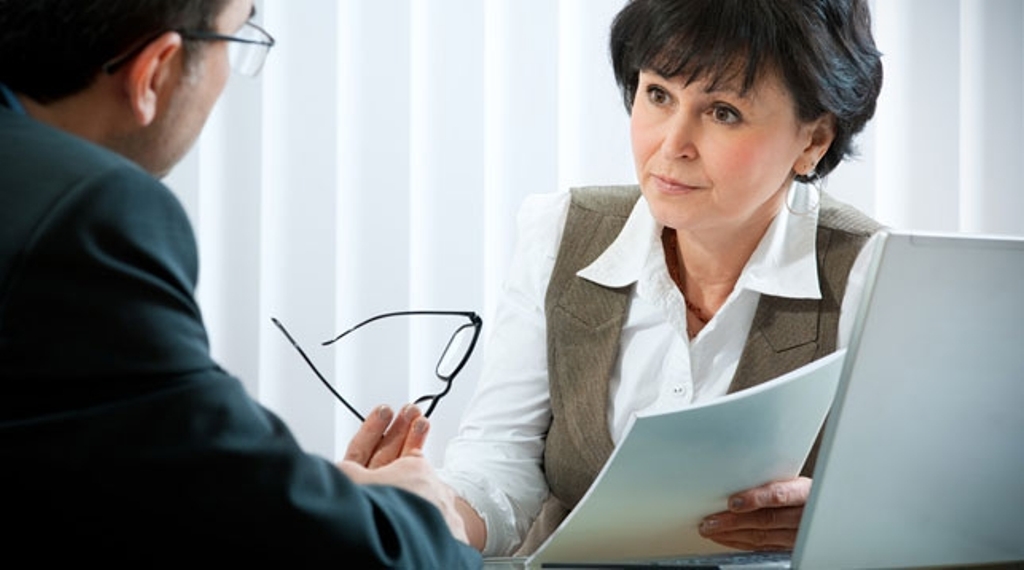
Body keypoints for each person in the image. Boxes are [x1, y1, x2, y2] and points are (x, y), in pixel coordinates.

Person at [346, 0, 885, 558]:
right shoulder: (561, 232)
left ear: (813, 141)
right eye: (658, 95)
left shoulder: (873, 272)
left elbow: (915, 506)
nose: (672, 144)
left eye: (723, 112)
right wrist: (430, 512)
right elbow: (500, 467)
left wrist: (844, 520)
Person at [0, 0, 480, 566]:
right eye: (238, 40)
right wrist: (415, 515)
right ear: (155, 71)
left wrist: (320, 494)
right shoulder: (86, 212)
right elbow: (245, 520)